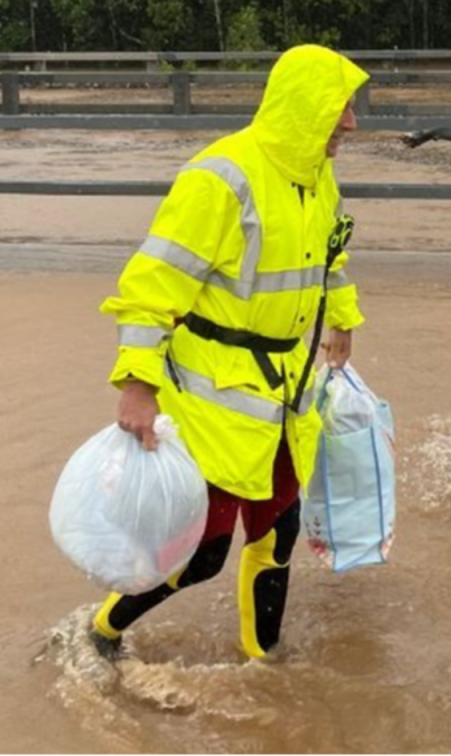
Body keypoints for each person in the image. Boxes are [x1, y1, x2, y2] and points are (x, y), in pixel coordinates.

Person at [90, 44, 369, 660]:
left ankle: (263, 665)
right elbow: (150, 287)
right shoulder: (219, 179)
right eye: (340, 107)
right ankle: (103, 628)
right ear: (304, 108)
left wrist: (342, 319)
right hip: (212, 398)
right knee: (203, 552)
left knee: (279, 530)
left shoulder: (318, 177)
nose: (351, 121)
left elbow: (331, 256)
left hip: (285, 393)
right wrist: (137, 385)